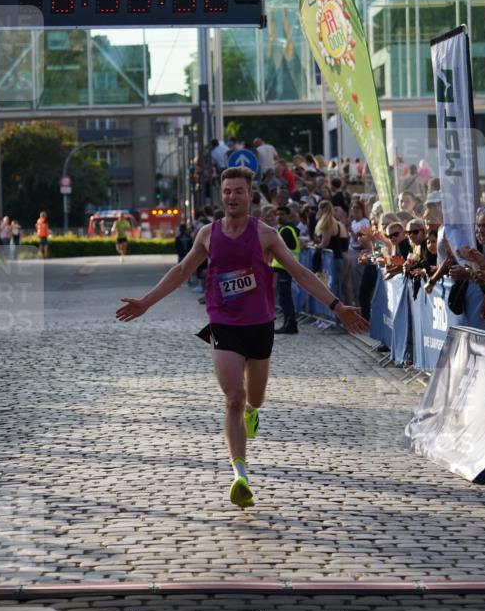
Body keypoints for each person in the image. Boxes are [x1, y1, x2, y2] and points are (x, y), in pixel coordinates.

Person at [116, 167, 368, 510]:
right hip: (223, 323)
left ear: (250, 196)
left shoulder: (266, 235)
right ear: (221, 195)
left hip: (260, 324)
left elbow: (299, 272)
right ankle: (240, 475)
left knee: (255, 398)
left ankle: (253, 411)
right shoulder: (207, 234)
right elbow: (181, 271)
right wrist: (146, 302)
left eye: (238, 191)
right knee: (233, 396)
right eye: (227, 191)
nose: (231, 196)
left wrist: (337, 306)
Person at [271, 205, 299, 334]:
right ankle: (289, 323)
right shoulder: (284, 229)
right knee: (284, 298)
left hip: (286, 268)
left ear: (288, 216)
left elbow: (284, 248)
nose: (279, 216)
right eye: (277, 214)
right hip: (283, 268)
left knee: (285, 298)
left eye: (282, 214)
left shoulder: (287, 230)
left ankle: (290, 324)